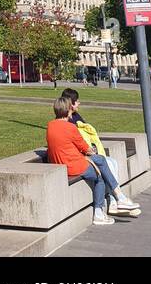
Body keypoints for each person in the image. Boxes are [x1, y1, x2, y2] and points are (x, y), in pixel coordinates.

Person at [45, 94, 126, 226]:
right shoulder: (70, 127)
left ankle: (119, 196)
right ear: (67, 110)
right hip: (73, 165)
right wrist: (91, 151)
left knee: (100, 160)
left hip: (60, 163)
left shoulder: (50, 126)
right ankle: (101, 210)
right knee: (100, 175)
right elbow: (86, 149)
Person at [62, 88, 141, 217]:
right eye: (77, 102)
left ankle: (115, 202)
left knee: (113, 162)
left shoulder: (76, 116)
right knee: (106, 164)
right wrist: (89, 151)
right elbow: (77, 143)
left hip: (85, 153)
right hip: (80, 158)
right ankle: (117, 200)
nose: (79, 103)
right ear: (71, 104)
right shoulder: (68, 123)